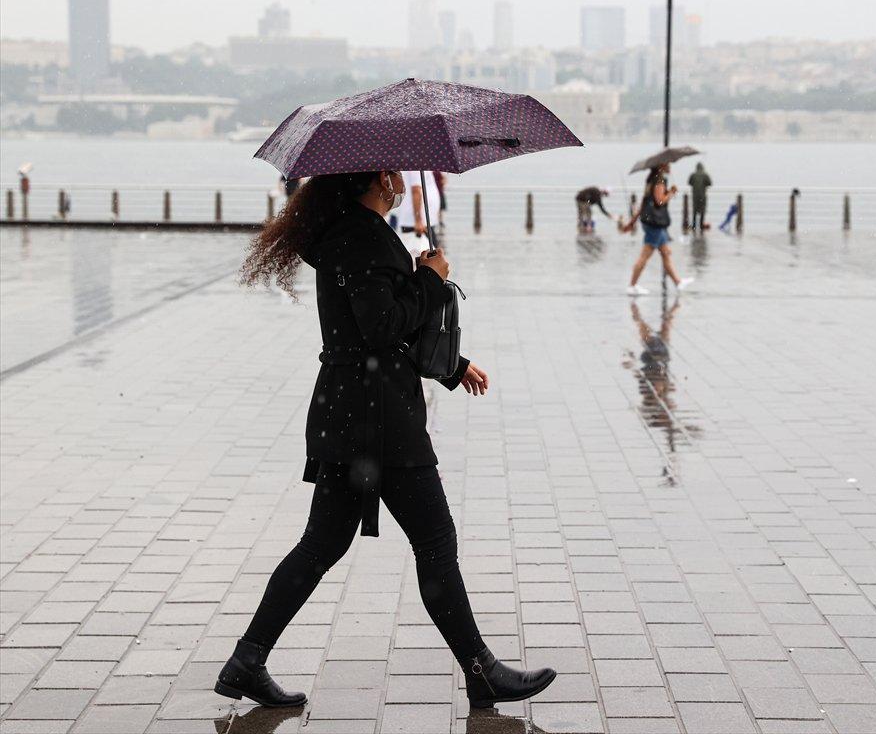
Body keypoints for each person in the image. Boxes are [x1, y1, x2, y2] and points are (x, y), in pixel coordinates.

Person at [229, 171, 555, 710]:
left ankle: (247, 660)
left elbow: (383, 329)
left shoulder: (354, 232)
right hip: (378, 422)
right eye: (397, 172)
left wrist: (453, 367)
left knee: (321, 545)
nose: (403, 178)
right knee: (435, 541)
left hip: (352, 413)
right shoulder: (361, 237)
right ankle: (482, 671)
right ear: (382, 177)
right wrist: (431, 278)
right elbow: (381, 327)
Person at [625, 165, 694, 295]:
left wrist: (633, 221)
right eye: (668, 164)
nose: (670, 166)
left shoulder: (651, 180)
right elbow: (660, 201)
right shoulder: (659, 180)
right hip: (655, 223)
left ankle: (678, 282)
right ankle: (632, 285)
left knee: (665, 253)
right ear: (662, 166)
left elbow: (645, 202)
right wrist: (671, 193)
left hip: (651, 222)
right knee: (645, 255)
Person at [687, 163, 712, 232]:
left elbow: (689, 182)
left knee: (695, 210)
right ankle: (701, 225)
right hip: (703, 196)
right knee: (702, 210)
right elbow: (710, 183)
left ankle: (694, 225)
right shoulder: (705, 175)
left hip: (695, 196)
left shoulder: (693, 175)